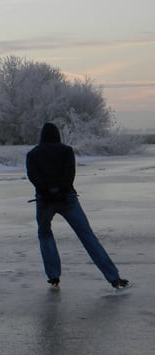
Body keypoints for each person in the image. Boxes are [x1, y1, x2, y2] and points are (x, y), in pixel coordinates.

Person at [26, 122, 128, 289]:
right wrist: (62, 190)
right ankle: (113, 277)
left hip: (44, 201)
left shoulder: (33, 154)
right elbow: (69, 173)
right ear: (57, 135)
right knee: (87, 236)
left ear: (42, 137)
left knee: (44, 234)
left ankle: (53, 276)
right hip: (67, 199)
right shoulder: (66, 151)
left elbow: (32, 175)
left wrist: (46, 192)